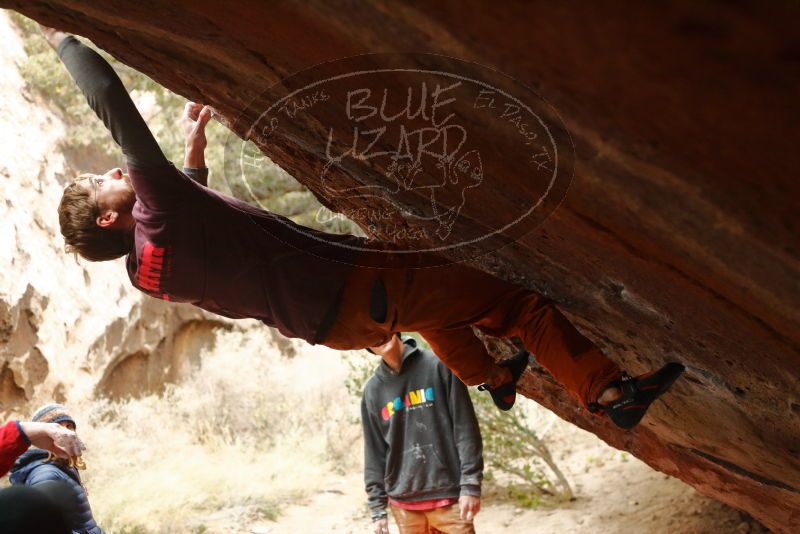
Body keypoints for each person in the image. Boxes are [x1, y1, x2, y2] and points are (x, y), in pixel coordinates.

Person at [41, 27, 683, 428]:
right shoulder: (157, 212)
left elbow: (200, 229)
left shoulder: (146, 269)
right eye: (105, 181)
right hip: (352, 285)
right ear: (110, 215)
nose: (112, 170)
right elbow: (116, 108)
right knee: (511, 301)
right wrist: (60, 38)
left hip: (335, 323)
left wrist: (196, 150)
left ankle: (494, 378)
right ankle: (608, 393)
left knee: (435, 308)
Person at [362, 335, 483, 534]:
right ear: (364, 345)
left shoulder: (439, 365)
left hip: (449, 498)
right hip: (404, 506)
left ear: (395, 328)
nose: (379, 338)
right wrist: (377, 509)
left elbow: (465, 427)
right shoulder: (373, 391)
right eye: (370, 336)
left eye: (382, 330)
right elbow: (374, 453)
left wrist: (470, 484)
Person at [9, 404, 104, 534]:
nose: (67, 432)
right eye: (59, 427)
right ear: (42, 437)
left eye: (69, 426)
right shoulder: (45, 473)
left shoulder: (62, 466)